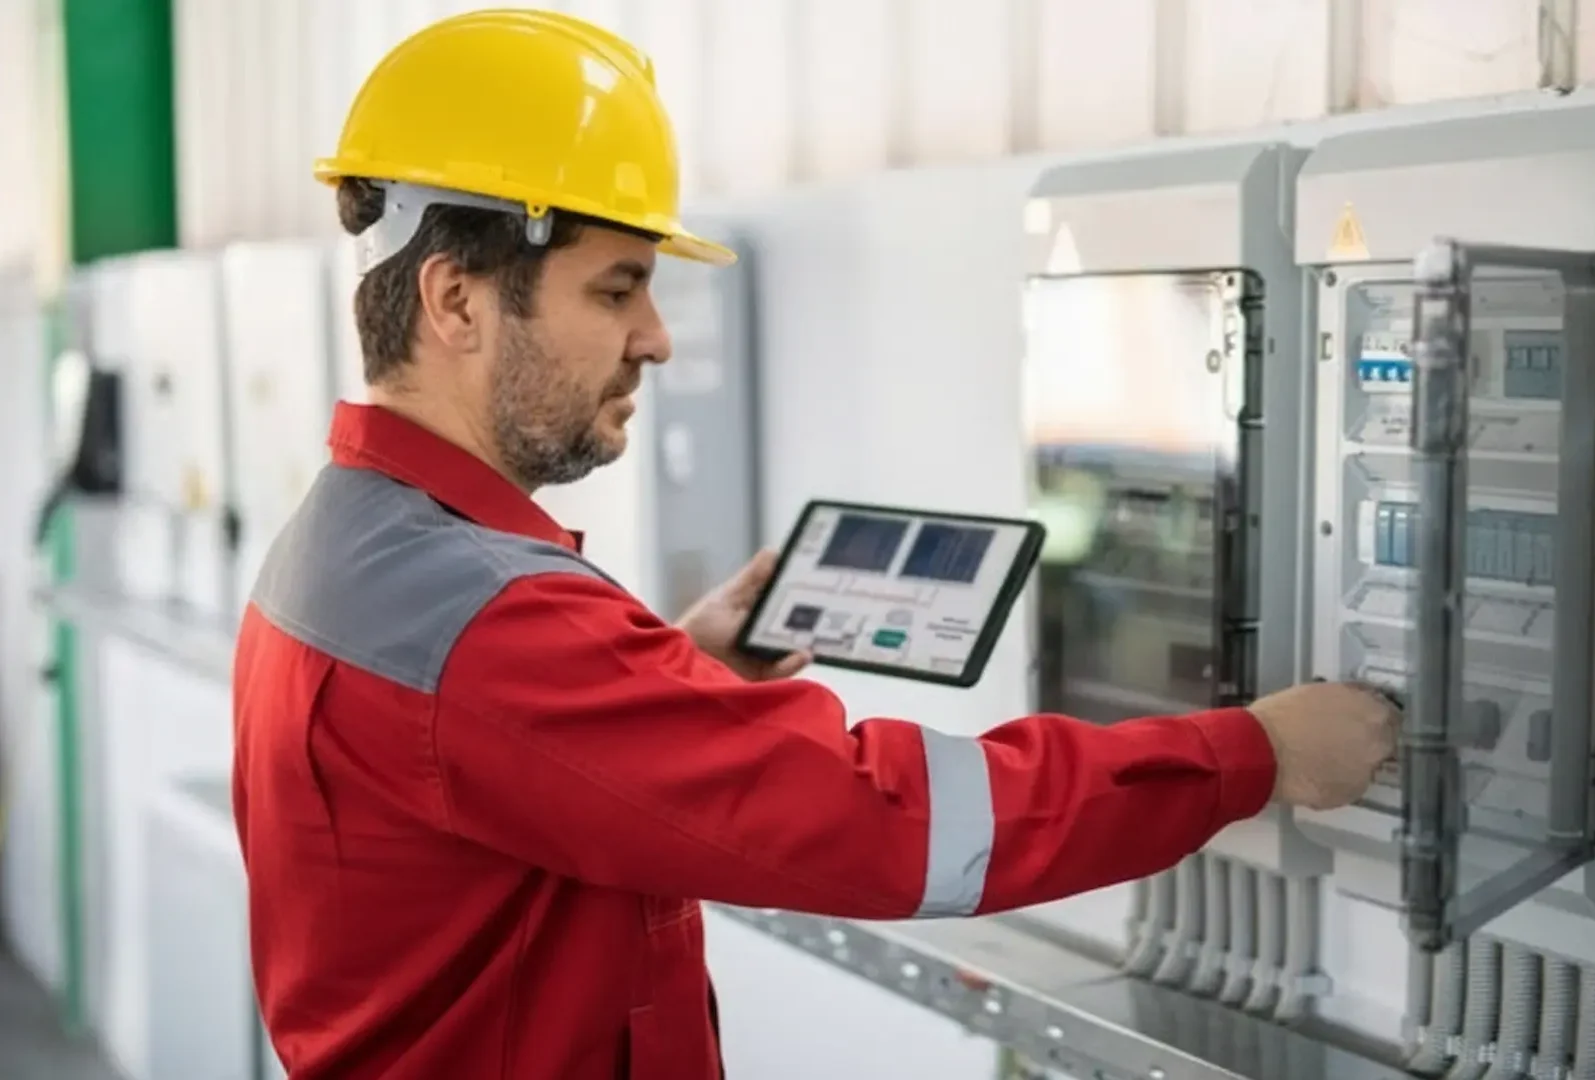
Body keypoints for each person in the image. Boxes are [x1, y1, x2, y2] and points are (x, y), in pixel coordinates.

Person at [230, 10, 1399, 1080]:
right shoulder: (488, 621)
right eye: (617, 291)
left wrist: (681, 675)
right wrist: (1253, 755)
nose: (656, 339)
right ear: (457, 302)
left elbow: (492, 766)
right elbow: (885, 823)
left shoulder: (348, 546)